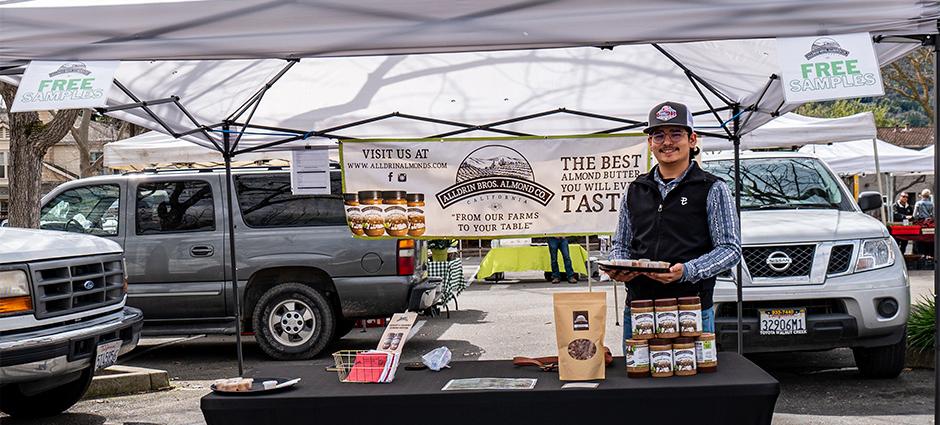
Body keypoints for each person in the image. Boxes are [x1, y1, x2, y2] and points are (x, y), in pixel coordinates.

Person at [604, 101, 741, 349]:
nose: (667, 142)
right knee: (637, 380)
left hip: (691, 308)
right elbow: (621, 244)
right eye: (658, 135)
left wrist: (687, 270)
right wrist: (619, 265)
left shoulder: (712, 187)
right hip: (639, 308)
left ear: (692, 139)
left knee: (693, 384)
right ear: (650, 144)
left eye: (676, 134)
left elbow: (730, 249)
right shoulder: (635, 189)